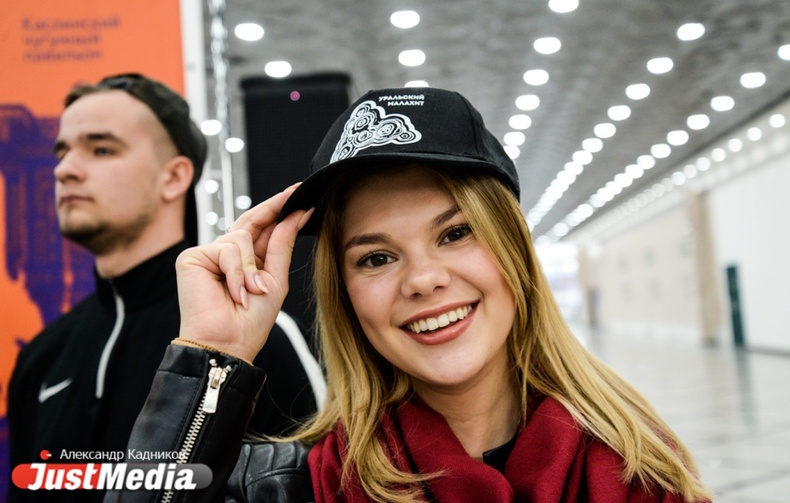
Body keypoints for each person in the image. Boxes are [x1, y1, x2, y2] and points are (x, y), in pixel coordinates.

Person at [109, 87, 713, 502]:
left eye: (455, 233)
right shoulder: (286, 486)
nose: (423, 279)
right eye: (376, 257)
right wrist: (212, 354)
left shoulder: (642, 470)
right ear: (346, 296)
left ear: (513, 250)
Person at [7, 73, 323, 503]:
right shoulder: (43, 357)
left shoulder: (254, 336)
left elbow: (318, 486)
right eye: (62, 152)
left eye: (101, 149)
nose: (65, 170)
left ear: (174, 177)